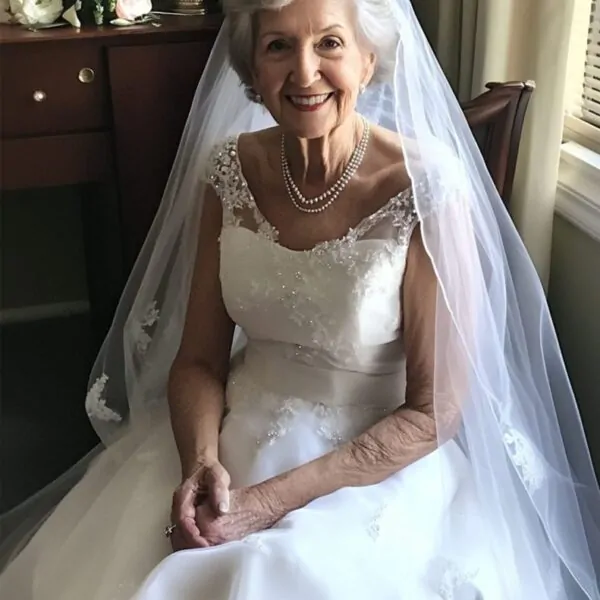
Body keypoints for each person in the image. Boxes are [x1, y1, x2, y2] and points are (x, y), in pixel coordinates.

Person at [1, 0, 599, 598]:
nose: (305, 72)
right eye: (278, 46)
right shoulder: (229, 169)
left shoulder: (427, 187)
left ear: (368, 60)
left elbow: (434, 410)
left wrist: (266, 503)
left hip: (373, 464)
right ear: (252, 70)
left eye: (330, 43)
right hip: (232, 433)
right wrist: (200, 464)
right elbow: (200, 360)